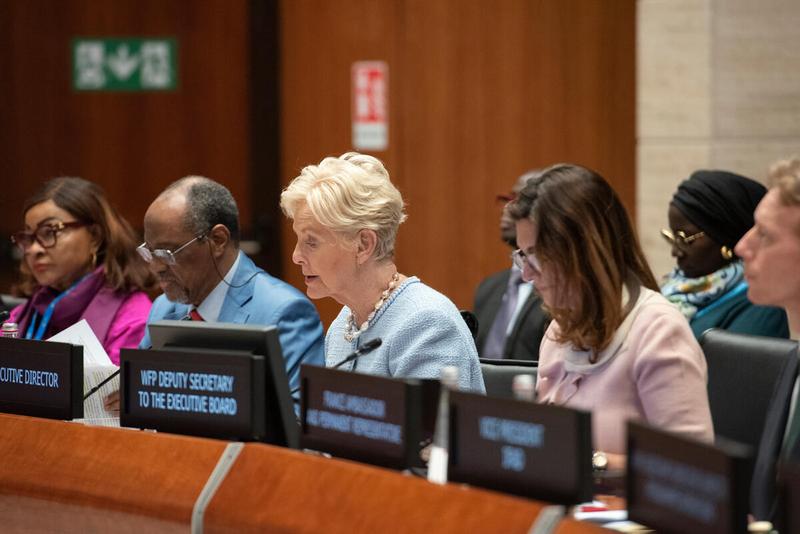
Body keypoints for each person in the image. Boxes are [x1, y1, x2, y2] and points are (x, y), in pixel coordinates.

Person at [507, 163, 713, 469]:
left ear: (583, 251)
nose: (526, 274)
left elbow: (694, 468)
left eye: (535, 256)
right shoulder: (558, 329)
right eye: (521, 255)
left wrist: (595, 464)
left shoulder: (658, 330)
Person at [280, 152, 485, 392]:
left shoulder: (427, 323)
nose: (296, 256)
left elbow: (431, 429)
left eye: (311, 242)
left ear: (363, 245)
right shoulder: (344, 325)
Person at [137, 176, 324, 394]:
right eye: (149, 252)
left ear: (217, 240)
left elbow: (298, 419)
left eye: (166, 253)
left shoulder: (283, 313)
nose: (156, 267)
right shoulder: (164, 309)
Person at [8, 177, 154, 365]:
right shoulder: (25, 313)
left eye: (49, 231)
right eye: (29, 237)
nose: (35, 249)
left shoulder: (133, 321)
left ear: (95, 236)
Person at [660, 170, 789, 339]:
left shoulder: (761, 305)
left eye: (685, 239)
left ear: (725, 238)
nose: (675, 252)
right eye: (672, 237)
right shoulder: (673, 287)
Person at [474, 170, 549, 361]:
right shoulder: (488, 288)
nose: (507, 209)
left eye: (519, 201)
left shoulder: (559, 290)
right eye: (507, 199)